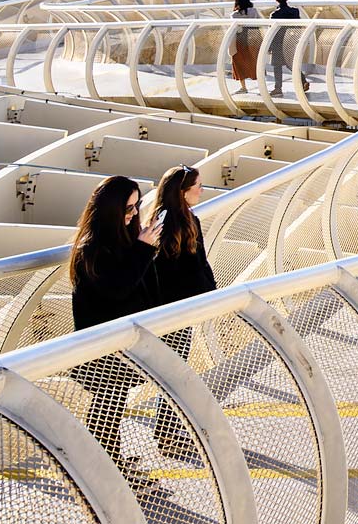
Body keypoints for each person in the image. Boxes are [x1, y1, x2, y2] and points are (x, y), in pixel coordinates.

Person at [69, 175, 161, 487]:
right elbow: (117, 289)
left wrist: (143, 246)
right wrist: (143, 249)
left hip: (117, 345)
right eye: (128, 208)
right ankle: (104, 471)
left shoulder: (119, 240)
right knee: (106, 410)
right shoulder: (92, 249)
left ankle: (109, 463)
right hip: (101, 347)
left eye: (137, 207)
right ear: (110, 209)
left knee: (111, 408)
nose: (134, 214)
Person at [147, 165, 216, 460]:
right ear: (182, 191)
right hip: (170, 311)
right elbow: (166, 270)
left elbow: (199, 262)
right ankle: (165, 434)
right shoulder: (165, 222)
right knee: (172, 373)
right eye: (197, 185)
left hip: (181, 308)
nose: (202, 190)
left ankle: (168, 430)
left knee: (174, 371)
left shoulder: (187, 219)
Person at [269, 0, 309, 96]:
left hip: (278, 43)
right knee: (291, 64)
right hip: (291, 41)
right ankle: (303, 80)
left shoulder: (275, 14)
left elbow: (272, 32)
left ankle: (278, 88)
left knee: (277, 66)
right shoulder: (294, 11)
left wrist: (269, 47)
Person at [230, 0, 259, 94]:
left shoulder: (234, 15)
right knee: (254, 61)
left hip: (240, 40)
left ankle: (243, 87)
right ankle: (261, 86)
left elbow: (234, 28)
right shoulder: (253, 11)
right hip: (253, 39)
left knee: (238, 63)